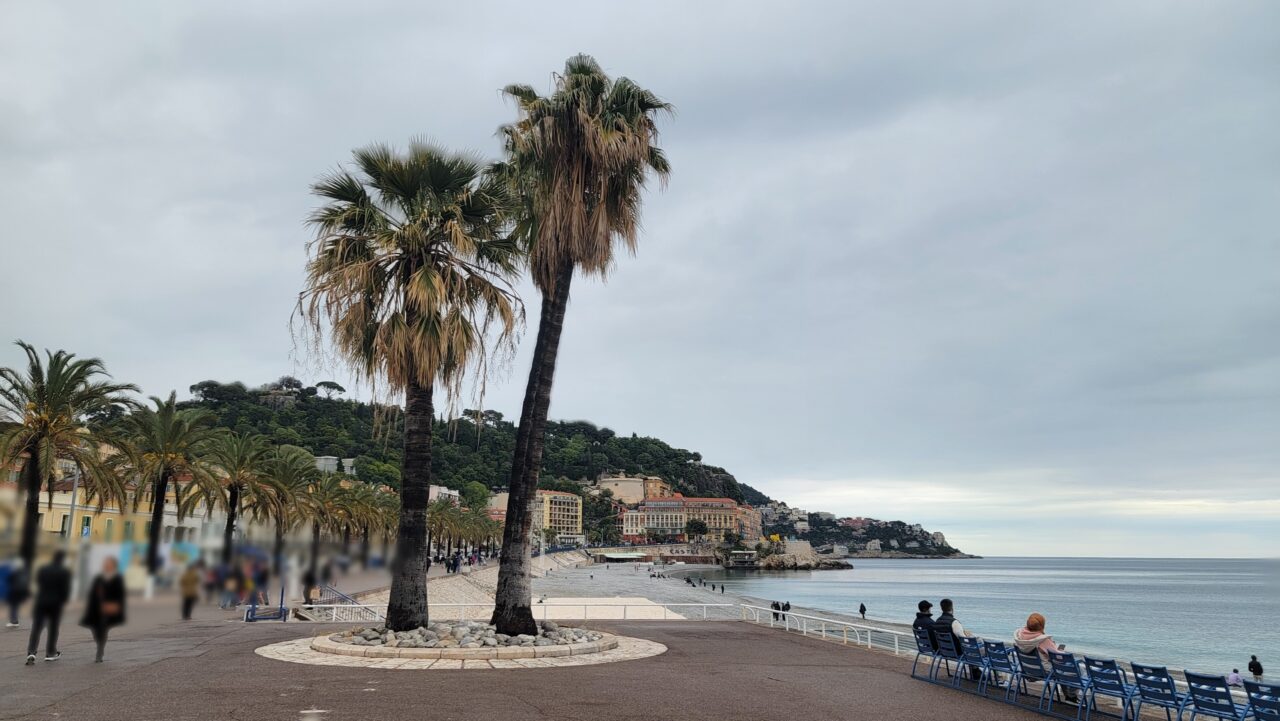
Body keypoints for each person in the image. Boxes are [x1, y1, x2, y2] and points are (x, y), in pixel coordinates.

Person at [1014, 612, 1077, 702]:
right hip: (1044, 671)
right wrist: (1061, 651)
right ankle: (1071, 696)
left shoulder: (1020, 636)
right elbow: (1058, 657)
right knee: (1075, 669)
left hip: (1027, 669)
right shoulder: (1043, 640)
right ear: (1042, 625)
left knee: (1062, 668)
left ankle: (1069, 696)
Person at [25, 551, 71, 665]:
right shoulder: (64, 572)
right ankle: (50, 653)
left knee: (36, 627)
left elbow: (38, 582)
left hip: (41, 601)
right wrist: (64, 600)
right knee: (53, 628)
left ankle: (31, 652)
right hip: (55, 603)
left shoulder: (43, 569)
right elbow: (65, 590)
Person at [82, 556, 126, 663]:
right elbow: (92, 593)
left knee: (103, 628)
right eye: (105, 563)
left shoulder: (118, 578)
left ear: (113, 566)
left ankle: (100, 651)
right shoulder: (98, 578)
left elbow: (120, 594)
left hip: (109, 609)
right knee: (94, 629)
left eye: (108, 563)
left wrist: (116, 606)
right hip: (96, 608)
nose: (106, 565)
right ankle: (99, 643)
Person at [935, 599, 979, 680]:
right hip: (957, 652)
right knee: (981, 649)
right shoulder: (954, 622)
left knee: (973, 648)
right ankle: (979, 673)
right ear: (952, 608)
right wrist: (970, 636)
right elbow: (964, 641)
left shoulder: (937, 621)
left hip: (944, 651)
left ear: (941, 608)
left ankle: (976, 671)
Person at [6, 561, 30, 628]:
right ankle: (15, 620)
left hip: (14, 592)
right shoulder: (25, 573)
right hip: (20, 592)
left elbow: (9, 580)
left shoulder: (14, 573)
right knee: (15, 606)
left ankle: (14, 621)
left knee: (13, 607)